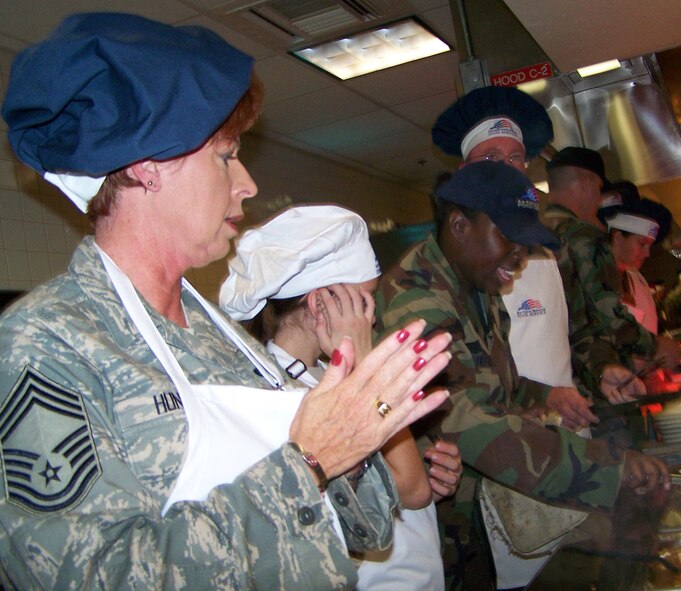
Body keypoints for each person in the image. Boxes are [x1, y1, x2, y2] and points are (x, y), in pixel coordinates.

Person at [0, 14, 453, 589]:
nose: (248, 183)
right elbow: (91, 576)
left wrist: (362, 431)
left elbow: (366, 531)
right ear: (149, 164)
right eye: (225, 156)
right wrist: (310, 461)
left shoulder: (225, 336)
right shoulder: (46, 343)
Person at [373, 160, 671, 591]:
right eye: (510, 238)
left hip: (473, 507)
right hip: (432, 521)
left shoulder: (477, 285)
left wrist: (544, 396)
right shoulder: (415, 303)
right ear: (459, 225)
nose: (519, 256)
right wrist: (609, 470)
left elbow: (488, 382)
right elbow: (461, 420)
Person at [219, 204, 463, 590]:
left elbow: (406, 486)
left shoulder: (322, 371)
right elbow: (412, 490)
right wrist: (366, 360)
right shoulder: (278, 393)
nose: (373, 317)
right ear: (320, 305)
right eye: (365, 301)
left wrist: (434, 473)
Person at [431, 86, 596, 588]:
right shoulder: (464, 262)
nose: (507, 166)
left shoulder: (546, 250)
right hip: (500, 460)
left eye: (515, 156)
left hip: (561, 438)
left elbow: (573, 333)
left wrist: (573, 385)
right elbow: (461, 394)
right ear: (466, 173)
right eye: (491, 157)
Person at [543, 148, 681, 425]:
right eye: (598, 188)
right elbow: (606, 317)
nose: (598, 199)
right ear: (586, 183)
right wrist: (656, 347)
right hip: (595, 384)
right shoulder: (583, 236)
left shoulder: (533, 233)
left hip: (549, 384)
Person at [601, 189, 673, 335]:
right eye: (642, 244)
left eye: (650, 246)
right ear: (618, 238)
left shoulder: (638, 280)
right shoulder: (596, 280)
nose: (647, 254)